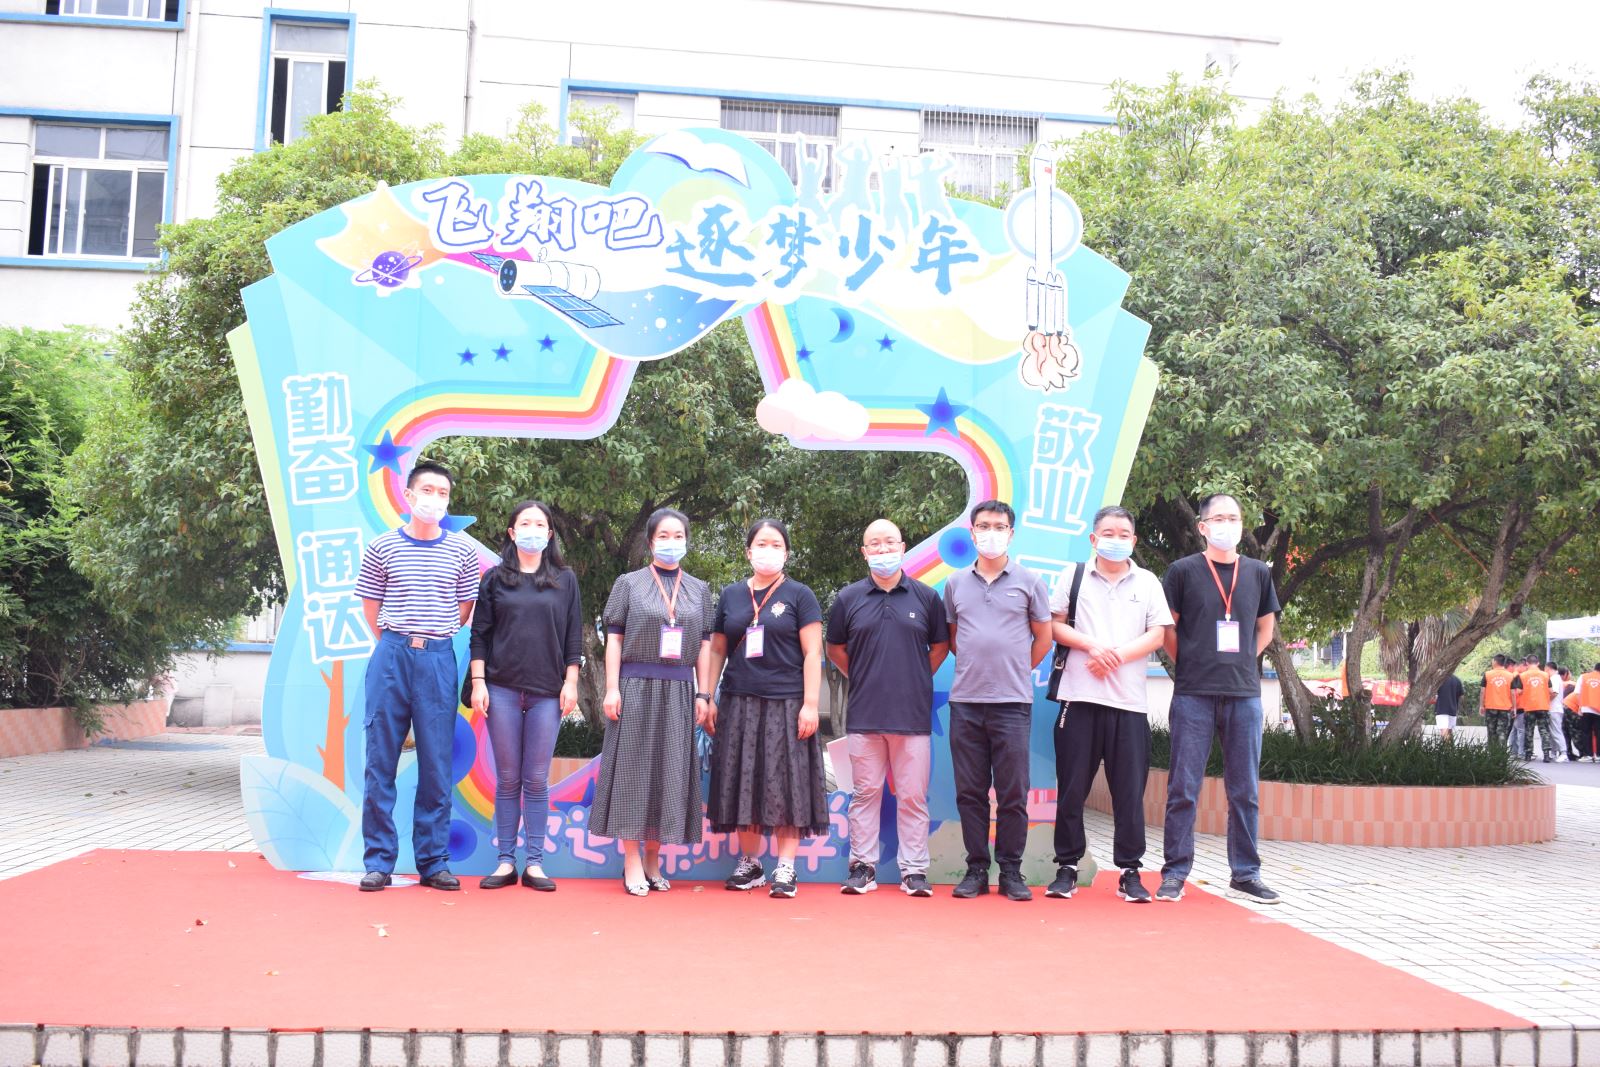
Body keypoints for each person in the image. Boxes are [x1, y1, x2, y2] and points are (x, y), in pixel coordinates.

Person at [353, 461, 481, 892]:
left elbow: (463, 610)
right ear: (408, 496)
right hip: (391, 655)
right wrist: (398, 641)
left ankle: (433, 861)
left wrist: (428, 639)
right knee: (380, 761)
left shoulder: (462, 552)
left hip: (438, 659)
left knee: (436, 764)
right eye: (427, 490)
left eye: (443, 493)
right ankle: (378, 862)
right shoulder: (382, 547)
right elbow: (371, 606)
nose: (434, 499)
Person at [1157, 493, 1282, 905]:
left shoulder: (1258, 572)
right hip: (1193, 694)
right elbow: (1167, 629)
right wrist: (1191, 662)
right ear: (1203, 526)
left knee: (1245, 790)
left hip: (1244, 695)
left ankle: (1245, 874)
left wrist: (1244, 660)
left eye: (1234, 518)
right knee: (1183, 788)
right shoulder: (1182, 571)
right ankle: (1175, 873)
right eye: (1219, 518)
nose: (1227, 525)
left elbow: (1266, 628)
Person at [1047, 506, 1173, 904]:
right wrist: (1091, 646)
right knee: (1071, 790)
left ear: (1133, 541)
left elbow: (1157, 634)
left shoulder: (1148, 581)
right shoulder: (1074, 576)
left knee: (1129, 793)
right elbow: (1054, 625)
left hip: (1129, 704)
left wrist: (1115, 656)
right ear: (1093, 538)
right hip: (1078, 699)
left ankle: (1130, 871)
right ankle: (1067, 867)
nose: (1115, 540)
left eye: (1123, 534)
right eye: (1108, 533)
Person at [593, 508, 717, 896]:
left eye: (678, 535)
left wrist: (703, 693)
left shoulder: (699, 590)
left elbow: (704, 646)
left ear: (687, 541)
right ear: (650, 542)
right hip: (635, 687)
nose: (671, 542)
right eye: (663, 536)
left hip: (679, 691)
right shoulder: (628, 584)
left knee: (669, 773)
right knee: (633, 772)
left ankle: (653, 858)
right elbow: (614, 640)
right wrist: (611, 688)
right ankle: (631, 859)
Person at [704, 519, 828, 899]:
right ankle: (751, 863)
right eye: (761, 544)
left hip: (787, 703)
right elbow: (717, 649)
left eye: (776, 545)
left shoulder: (800, 595)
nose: (768, 550)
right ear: (748, 551)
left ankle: (786, 867)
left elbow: (813, 653)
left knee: (787, 785)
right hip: (738, 701)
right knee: (744, 781)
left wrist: (811, 705)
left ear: (786, 553)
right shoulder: (731, 595)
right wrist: (707, 697)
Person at [826, 518, 949, 897]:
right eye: (875, 544)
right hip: (864, 716)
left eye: (890, 543)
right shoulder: (848, 599)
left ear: (903, 547)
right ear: (864, 552)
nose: (883, 550)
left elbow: (940, 646)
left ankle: (914, 871)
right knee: (865, 795)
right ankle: (862, 868)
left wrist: (915, 676)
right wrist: (863, 675)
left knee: (912, 797)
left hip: (912, 716)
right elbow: (834, 648)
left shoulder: (926, 598)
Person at [467, 500, 583, 891]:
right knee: (507, 779)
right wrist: (479, 682)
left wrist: (571, 682)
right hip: (500, 688)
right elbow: (479, 635)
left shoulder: (565, 580)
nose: (532, 530)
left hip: (547, 693)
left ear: (549, 534)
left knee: (535, 779)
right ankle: (505, 861)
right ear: (512, 532)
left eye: (540, 524)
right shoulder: (495, 579)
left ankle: (534, 863)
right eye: (525, 523)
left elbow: (573, 635)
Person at [942, 500, 1052, 902]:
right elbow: (954, 638)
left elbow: (1043, 638)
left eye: (999, 526)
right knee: (970, 792)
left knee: (1012, 793)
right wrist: (979, 665)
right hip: (966, 703)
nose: (991, 532)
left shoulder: (1030, 582)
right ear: (972, 532)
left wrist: (1014, 669)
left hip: (1013, 704)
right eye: (984, 525)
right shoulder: (955, 584)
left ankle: (1010, 871)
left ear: (1011, 532)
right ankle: (975, 869)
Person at [1516, 657, 1557, 763]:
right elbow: (1551, 691)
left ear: (1527, 663)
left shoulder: (1523, 676)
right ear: (1538, 663)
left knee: (1529, 730)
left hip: (1529, 707)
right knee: (1544, 730)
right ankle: (1546, 755)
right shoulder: (1545, 675)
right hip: (1543, 706)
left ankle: (1528, 755)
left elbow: (1519, 691)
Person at [1480, 654, 1518, 750]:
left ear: (1495, 662)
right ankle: (1501, 754)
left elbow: (1482, 691)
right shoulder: (1510, 676)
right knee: (1502, 732)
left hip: (1490, 707)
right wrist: (1514, 708)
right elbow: (1513, 693)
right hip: (1505, 708)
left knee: (1491, 732)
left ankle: (1492, 754)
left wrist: (1481, 705)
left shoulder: (1487, 674)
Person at [1576, 664, 1600, 763]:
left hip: (1585, 708)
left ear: (1594, 668)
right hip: (1598, 710)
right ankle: (1598, 756)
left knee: (1586, 732)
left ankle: (1588, 755)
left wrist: (1580, 707)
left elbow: (1577, 693)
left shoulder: (1583, 677)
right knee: (1599, 733)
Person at [1546, 661, 1568, 762]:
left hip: (1554, 709)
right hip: (1555, 709)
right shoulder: (1557, 678)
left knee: (1556, 731)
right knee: (1552, 732)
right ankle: (1553, 753)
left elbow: (1554, 693)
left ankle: (1563, 753)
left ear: (1548, 668)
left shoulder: (1554, 679)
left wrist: (1545, 701)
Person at [1432, 673, 1464, 741]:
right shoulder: (1457, 680)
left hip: (1441, 709)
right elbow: (1461, 696)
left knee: (1444, 731)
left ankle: (1445, 747)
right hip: (1453, 709)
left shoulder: (1440, 679)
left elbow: (1433, 695)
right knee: (1449, 731)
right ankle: (1450, 746)